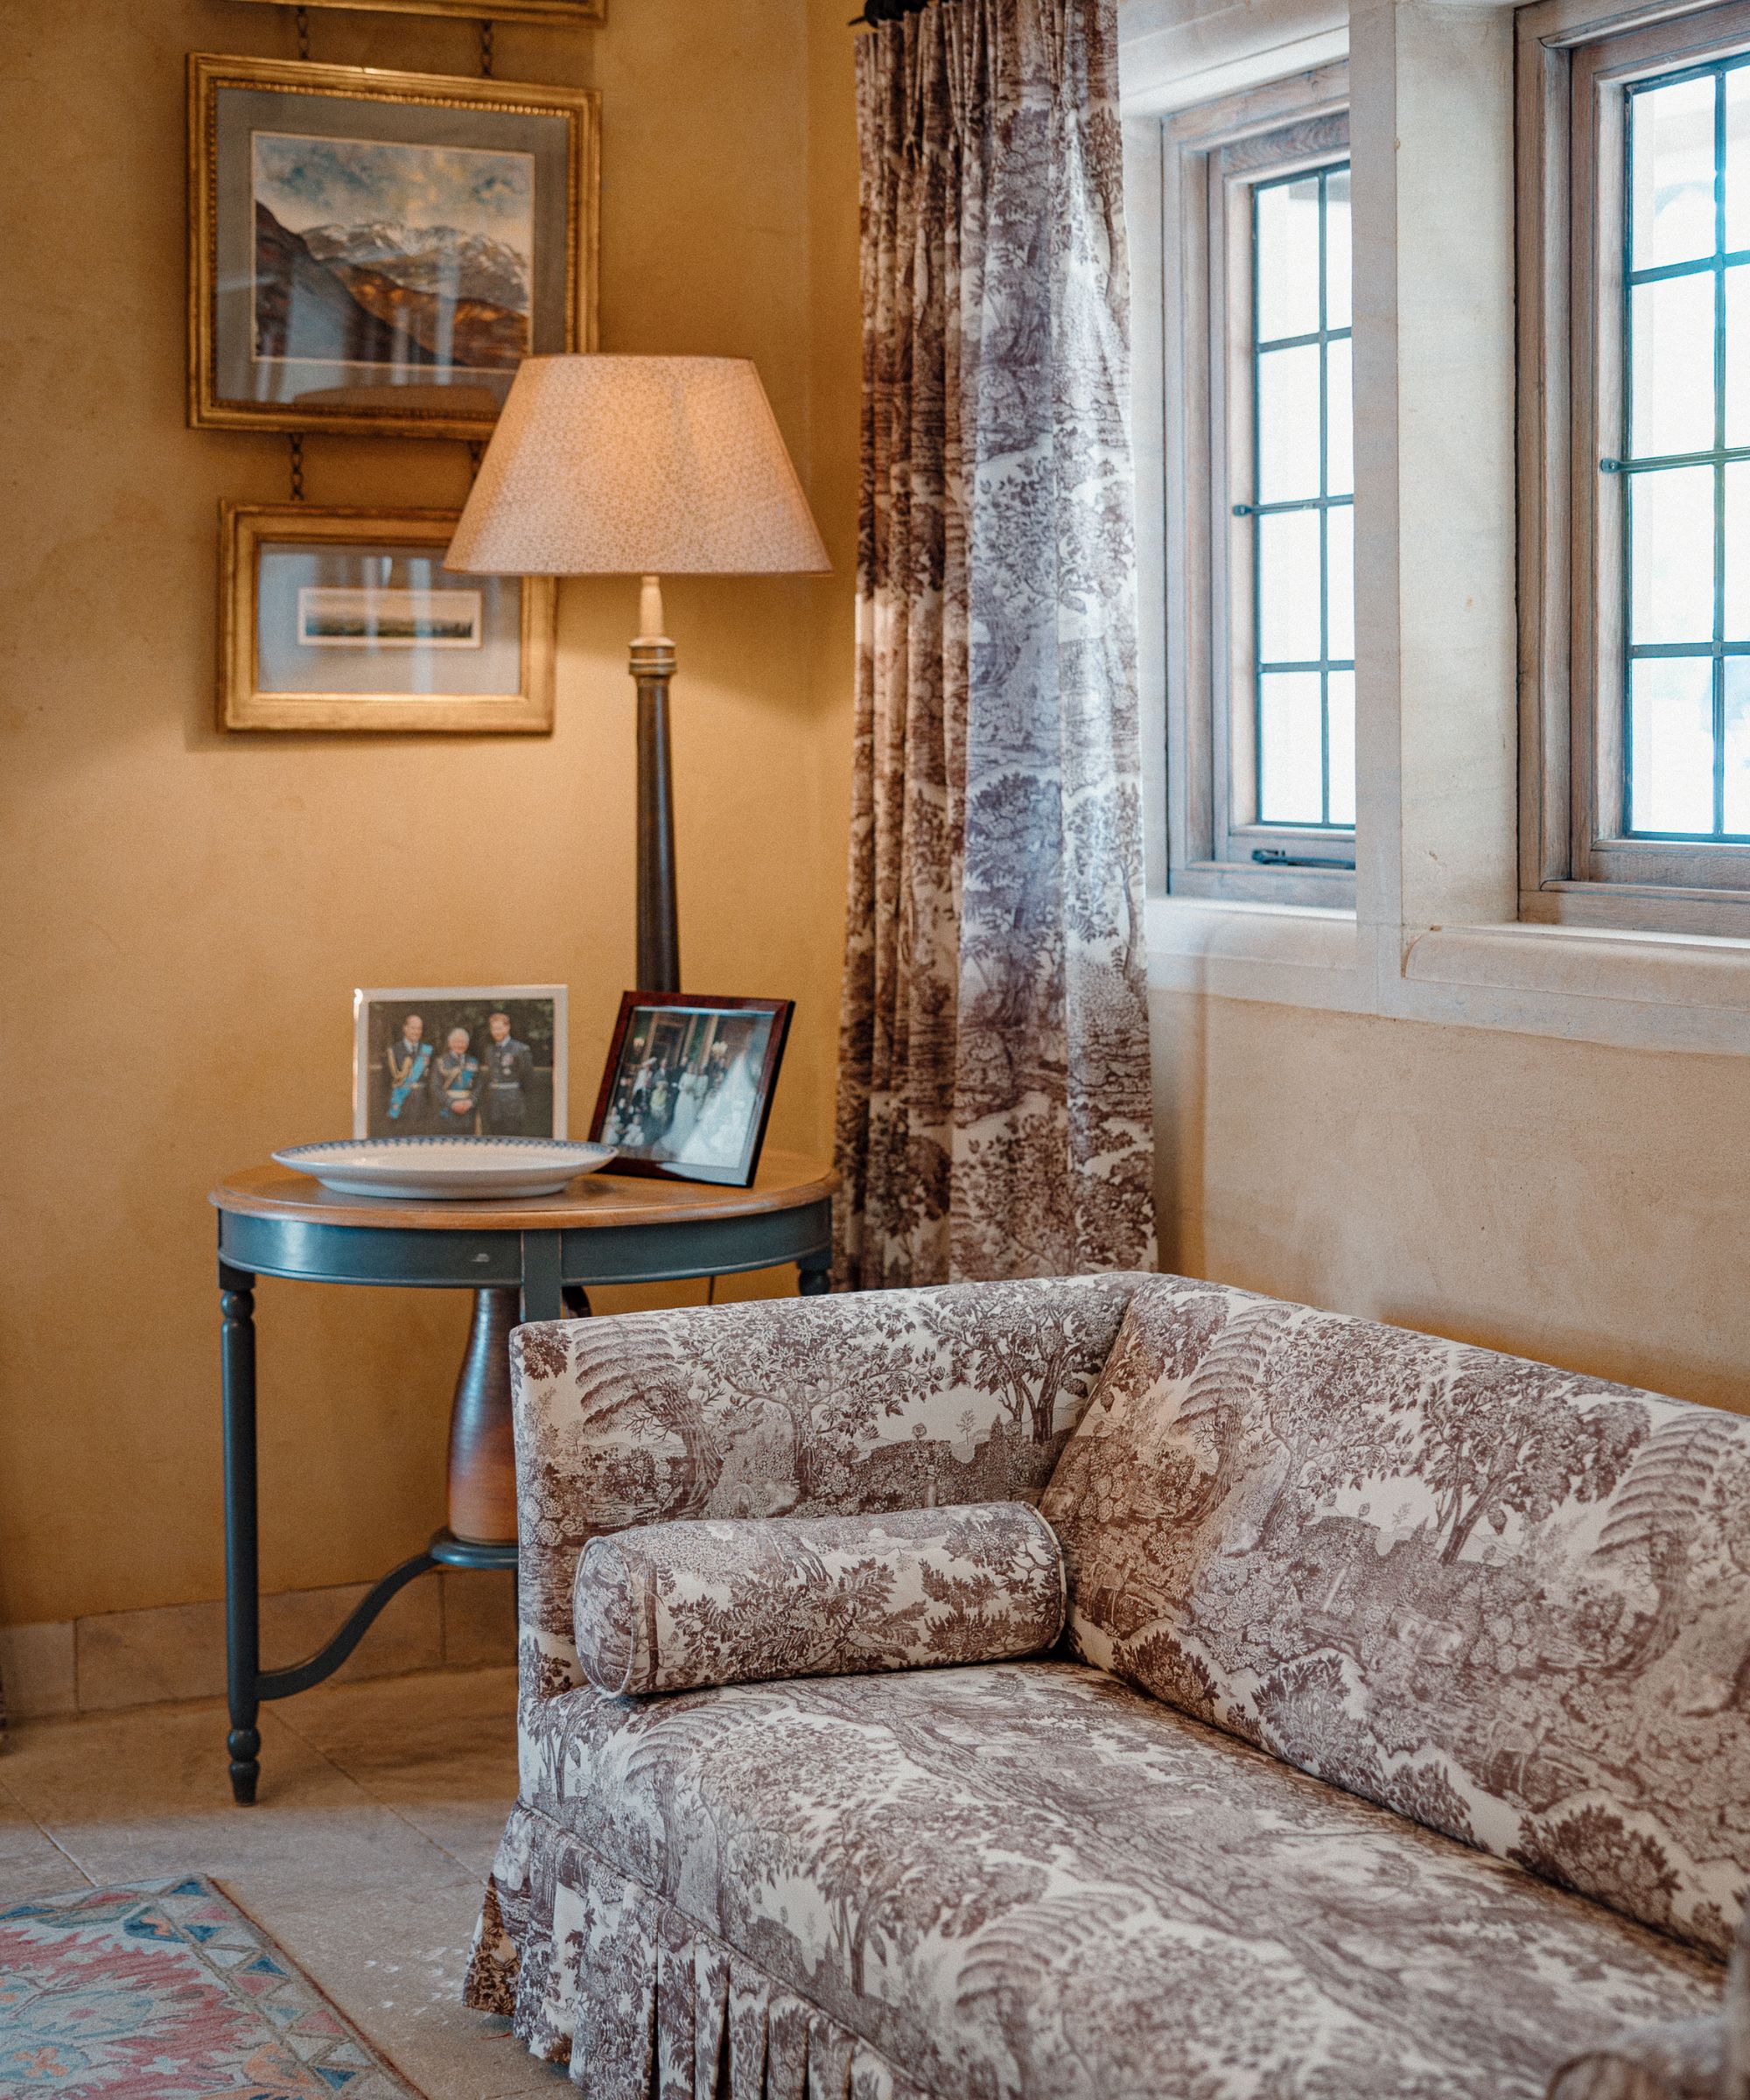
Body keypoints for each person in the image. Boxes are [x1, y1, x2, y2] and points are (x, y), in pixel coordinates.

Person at [480, 1010, 536, 1136]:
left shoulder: (520, 1049)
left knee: (512, 1136)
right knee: (494, 1136)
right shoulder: (489, 1050)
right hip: (494, 1102)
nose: (496, 1032)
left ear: (508, 1027)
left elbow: (528, 1078)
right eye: (494, 1029)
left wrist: (517, 1097)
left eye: (500, 1028)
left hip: (513, 1102)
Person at [383, 1014, 432, 1131]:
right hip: (400, 1109)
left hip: (422, 1110)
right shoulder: (393, 1051)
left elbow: (431, 1081)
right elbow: (384, 1084)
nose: (416, 1032)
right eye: (413, 1028)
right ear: (405, 1028)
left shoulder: (428, 1051)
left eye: (419, 1028)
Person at [430, 1026, 483, 1132]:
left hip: (468, 1111)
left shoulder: (473, 1062)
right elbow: (435, 1087)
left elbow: (479, 1085)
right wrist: (452, 1103)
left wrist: (471, 1101)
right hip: (447, 1111)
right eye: (456, 1041)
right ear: (449, 1043)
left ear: (467, 1044)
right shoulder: (441, 1062)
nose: (460, 1045)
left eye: (463, 1042)